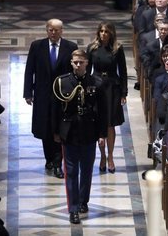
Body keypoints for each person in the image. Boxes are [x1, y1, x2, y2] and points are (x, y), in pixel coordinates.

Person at [52, 49, 108, 224]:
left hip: (89, 132)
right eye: (75, 62)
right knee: (71, 171)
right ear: (71, 63)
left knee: (87, 170)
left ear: (87, 63)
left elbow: (102, 112)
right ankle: (73, 208)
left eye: (81, 62)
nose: (78, 65)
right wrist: (55, 132)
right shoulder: (62, 82)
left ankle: (84, 201)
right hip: (69, 132)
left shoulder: (96, 83)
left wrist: (102, 134)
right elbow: (55, 110)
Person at [23, 18, 78, 179]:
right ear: (46, 30)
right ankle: (49, 159)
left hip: (63, 95)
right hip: (42, 95)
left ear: (62, 31)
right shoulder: (37, 46)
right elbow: (29, 70)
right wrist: (28, 92)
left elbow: (74, 71)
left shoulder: (70, 47)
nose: (53, 33)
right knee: (45, 129)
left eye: (56, 30)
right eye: (50, 30)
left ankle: (57, 162)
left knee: (60, 129)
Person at [86, 21, 128, 173]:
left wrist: (124, 93)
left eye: (106, 32)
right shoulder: (92, 48)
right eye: (101, 31)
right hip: (97, 86)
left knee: (110, 124)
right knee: (99, 123)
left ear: (111, 34)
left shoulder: (117, 49)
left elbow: (123, 72)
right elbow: (87, 70)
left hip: (112, 88)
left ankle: (110, 156)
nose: (103, 34)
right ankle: (102, 155)